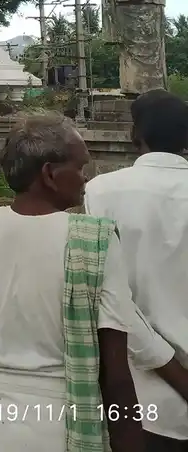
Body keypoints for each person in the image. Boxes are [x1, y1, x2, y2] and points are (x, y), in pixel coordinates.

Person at [0, 111, 188, 452]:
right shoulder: (95, 240)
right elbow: (115, 373)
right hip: (66, 428)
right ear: (49, 174)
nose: (85, 178)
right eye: (79, 167)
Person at [85, 89, 188, 450]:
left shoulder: (101, 193)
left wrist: (176, 375)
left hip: (139, 395)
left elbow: (111, 300)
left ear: (134, 135)